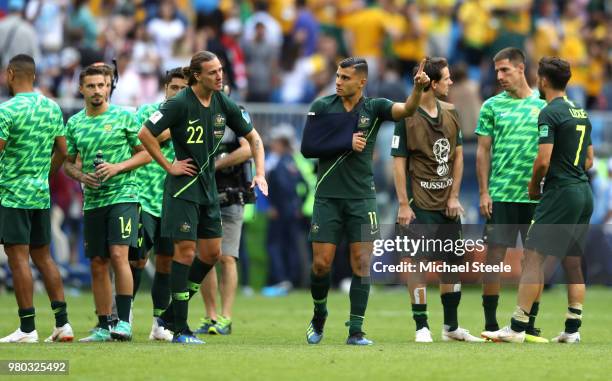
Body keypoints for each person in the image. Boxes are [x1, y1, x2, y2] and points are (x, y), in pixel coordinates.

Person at [138, 50, 267, 344]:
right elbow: (145, 134)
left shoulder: (223, 102)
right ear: (197, 76)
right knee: (184, 253)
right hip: (183, 190)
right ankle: (179, 328)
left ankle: (169, 316)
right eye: (213, 72)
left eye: (221, 70)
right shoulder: (179, 103)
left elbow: (254, 139)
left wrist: (260, 172)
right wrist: (168, 165)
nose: (220, 76)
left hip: (209, 190)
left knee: (211, 254)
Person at [305, 56, 430, 346]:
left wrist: (417, 90)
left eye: (345, 77)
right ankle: (319, 312)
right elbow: (307, 147)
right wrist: (345, 143)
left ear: (362, 81)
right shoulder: (322, 107)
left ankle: (356, 330)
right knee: (321, 264)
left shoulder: (374, 108)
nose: (338, 81)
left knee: (362, 263)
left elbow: (407, 110)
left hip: (362, 199)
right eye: (337, 76)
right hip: (327, 198)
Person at [482, 57, 593, 344]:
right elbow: (589, 159)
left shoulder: (549, 112)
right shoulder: (580, 111)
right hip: (583, 192)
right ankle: (572, 329)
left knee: (532, 256)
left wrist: (534, 186)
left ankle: (517, 327)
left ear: (543, 80)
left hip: (560, 192)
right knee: (573, 261)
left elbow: (543, 161)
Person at [391, 57, 484, 343]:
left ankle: (451, 328)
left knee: (452, 265)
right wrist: (404, 204)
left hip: (448, 205)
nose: (451, 81)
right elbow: (398, 164)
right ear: (432, 83)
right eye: (446, 78)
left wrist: (454, 196)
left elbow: (457, 157)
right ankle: (421, 325)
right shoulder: (406, 118)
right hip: (420, 205)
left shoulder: (452, 112)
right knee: (418, 264)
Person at [63, 64, 151, 342]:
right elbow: (68, 163)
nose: (97, 91)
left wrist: (117, 167)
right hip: (93, 200)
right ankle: (103, 325)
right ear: (81, 89)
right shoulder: (75, 123)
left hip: (124, 195)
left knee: (118, 255)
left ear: (109, 87)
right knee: (97, 263)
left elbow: (146, 154)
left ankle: (123, 322)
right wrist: (82, 176)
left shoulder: (125, 116)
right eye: (91, 86)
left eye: (101, 85)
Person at [475, 47, 548, 343]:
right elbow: (482, 150)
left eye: (504, 70)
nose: (499, 76)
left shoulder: (545, 105)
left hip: (537, 196)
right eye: (496, 71)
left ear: (521, 69)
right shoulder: (492, 106)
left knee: (535, 261)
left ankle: (527, 325)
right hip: (502, 194)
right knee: (493, 258)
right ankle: (491, 324)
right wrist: (483, 191)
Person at [0, 54, 73, 343]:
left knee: (18, 259)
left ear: (10, 74)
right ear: (34, 75)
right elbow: (64, 151)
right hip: (40, 194)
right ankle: (62, 324)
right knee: (43, 257)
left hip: (12, 195)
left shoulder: (6, 111)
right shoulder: (52, 108)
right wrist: (44, 174)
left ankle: (28, 329)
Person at [129, 67, 188, 341]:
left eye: (183, 88)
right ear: (165, 88)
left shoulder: (192, 118)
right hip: (143, 195)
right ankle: (124, 316)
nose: (178, 92)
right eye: (173, 87)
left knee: (165, 262)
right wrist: (164, 133)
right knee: (137, 260)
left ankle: (158, 324)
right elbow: (134, 147)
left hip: (173, 199)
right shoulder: (147, 113)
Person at [195, 103, 255, 336]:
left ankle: (226, 317)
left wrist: (215, 164)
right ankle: (210, 315)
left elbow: (249, 148)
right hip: (203, 195)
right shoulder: (194, 113)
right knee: (205, 257)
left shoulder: (236, 113)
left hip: (231, 194)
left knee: (227, 257)